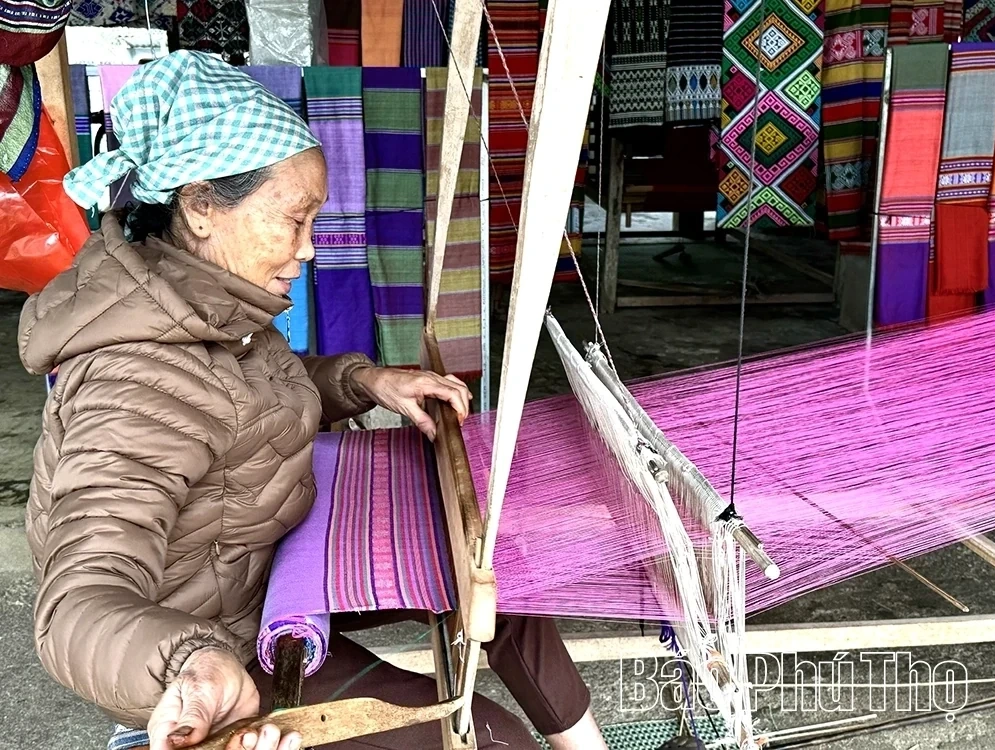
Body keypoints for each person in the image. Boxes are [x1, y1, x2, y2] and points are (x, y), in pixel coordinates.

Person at [19, 52, 608, 750]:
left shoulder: (196, 302)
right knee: (482, 738)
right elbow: (78, 600)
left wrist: (364, 382)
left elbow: (247, 389)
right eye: (294, 221)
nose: (308, 249)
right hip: (221, 645)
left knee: (501, 573)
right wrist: (190, 665)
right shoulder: (133, 382)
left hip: (266, 566)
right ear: (201, 206)